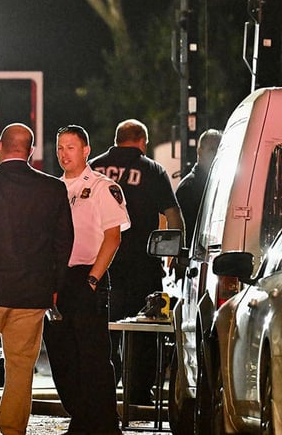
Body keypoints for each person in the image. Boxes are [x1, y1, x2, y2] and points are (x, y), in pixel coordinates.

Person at [0, 123, 73, 435]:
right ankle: (13, 429)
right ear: (30, 152)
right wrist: (55, 287)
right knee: (21, 368)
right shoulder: (52, 189)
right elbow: (63, 242)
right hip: (32, 295)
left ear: (0, 148)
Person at [89, 119, 184, 405]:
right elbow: (174, 215)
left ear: (117, 140)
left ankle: (102, 390)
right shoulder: (152, 169)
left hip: (100, 264)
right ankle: (138, 392)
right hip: (142, 265)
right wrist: (176, 254)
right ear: (142, 142)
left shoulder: (92, 168)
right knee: (144, 331)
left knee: (104, 330)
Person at [45, 125, 130, 434]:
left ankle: (103, 424)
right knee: (61, 353)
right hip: (58, 281)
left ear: (86, 151)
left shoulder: (100, 186)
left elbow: (113, 237)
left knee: (92, 355)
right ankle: (80, 417)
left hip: (87, 276)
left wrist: (93, 279)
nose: (64, 154)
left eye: (70, 147)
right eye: (59, 148)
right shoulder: (52, 189)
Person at [176, 129, 222, 246]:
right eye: (212, 149)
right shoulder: (187, 188)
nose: (217, 154)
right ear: (199, 151)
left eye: (219, 149)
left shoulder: (223, 185)